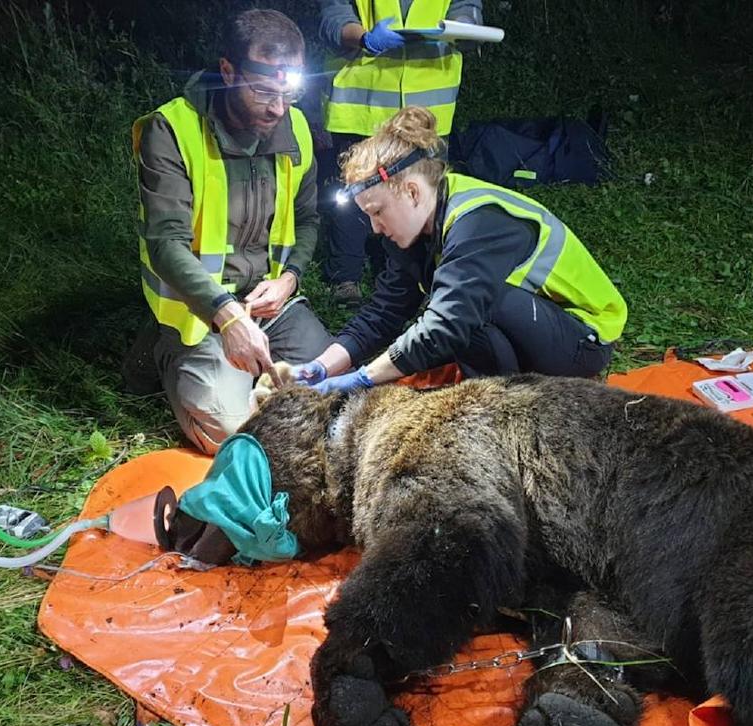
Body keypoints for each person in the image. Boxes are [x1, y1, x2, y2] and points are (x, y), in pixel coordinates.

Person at [294, 106, 627, 394]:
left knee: (462, 311)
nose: (375, 228)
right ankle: (502, 395)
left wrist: (364, 378)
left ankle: (508, 407)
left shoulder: (478, 221)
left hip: (582, 339)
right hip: (530, 328)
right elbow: (385, 312)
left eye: (377, 212)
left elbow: (447, 323)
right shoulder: (414, 230)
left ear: (411, 192)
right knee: (452, 316)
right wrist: (323, 368)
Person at [122, 9, 333, 454]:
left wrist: (290, 278)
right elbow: (165, 244)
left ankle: (249, 368)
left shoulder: (294, 125)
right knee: (236, 435)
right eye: (262, 92)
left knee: (335, 393)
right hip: (199, 316)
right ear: (228, 72)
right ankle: (166, 353)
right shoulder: (172, 130)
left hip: (270, 306)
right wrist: (227, 316)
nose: (278, 108)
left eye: (288, 93)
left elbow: (309, 218)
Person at [318, 0, 483, 306]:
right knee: (354, 195)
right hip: (362, 107)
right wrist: (364, 38)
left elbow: (468, 9)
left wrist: (462, 28)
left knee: (418, 197)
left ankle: (409, 279)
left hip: (427, 110)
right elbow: (332, 19)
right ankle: (345, 277)